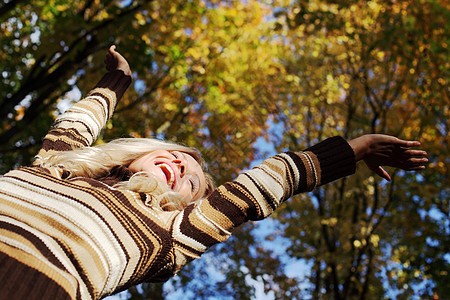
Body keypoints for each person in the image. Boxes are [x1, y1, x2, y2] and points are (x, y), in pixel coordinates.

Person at [0, 46, 428, 300]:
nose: (181, 167)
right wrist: (117, 82)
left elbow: (259, 185)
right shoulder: (56, 166)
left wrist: (357, 149)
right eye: (177, 156)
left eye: (190, 183)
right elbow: (78, 121)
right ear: (141, 153)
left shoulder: (169, 232)